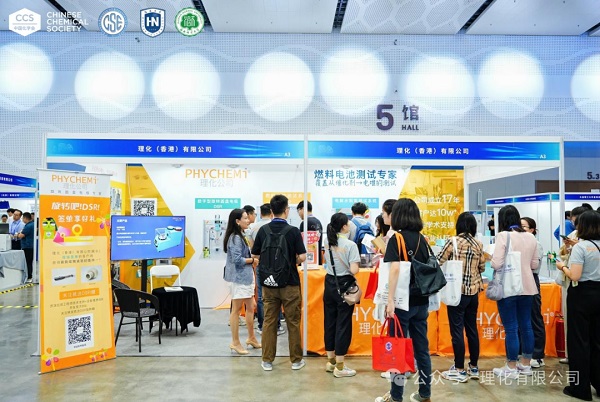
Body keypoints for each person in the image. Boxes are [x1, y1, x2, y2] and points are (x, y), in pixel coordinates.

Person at [375, 198, 432, 402]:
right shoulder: (422, 239)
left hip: (401, 303)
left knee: (396, 350)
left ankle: (396, 396)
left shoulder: (396, 238)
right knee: (422, 350)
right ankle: (425, 393)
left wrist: (389, 300)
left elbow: (395, 269)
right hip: (421, 301)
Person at [251, 194, 307, 371]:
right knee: (293, 322)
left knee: (269, 321)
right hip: (290, 283)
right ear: (286, 210)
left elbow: (255, 255)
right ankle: (296, 361)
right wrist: (291, 261)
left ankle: (267, 360)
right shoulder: (293, 231)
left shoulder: (263, 230)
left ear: (271, 211)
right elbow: (303, 256)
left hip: (268, 284)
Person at [490, 205, 540, 379]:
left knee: (511, 328)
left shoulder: (503, 236)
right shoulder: (530, 237)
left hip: (509, 287)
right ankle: (525, 364)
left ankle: (511, 367)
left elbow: (496, 264)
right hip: (528, 286)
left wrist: (490, 258)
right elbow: (534, 265)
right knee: (526, 326)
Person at [556, 210, 600, 401]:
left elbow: (575, 275)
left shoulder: (581, 247)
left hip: (581, 295)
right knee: (597, 341)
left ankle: (580, 388)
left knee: (578, 342)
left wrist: (562, 267)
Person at [438, 212, 486, 383]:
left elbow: (438, 261)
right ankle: (474, 366)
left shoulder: (453, 242)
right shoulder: (478, 243)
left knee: (457, 330)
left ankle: (459, 369)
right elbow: (482, 267)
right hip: (473, 292)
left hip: (456, 292)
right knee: (472, 329)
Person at [323, 212, 360, 378]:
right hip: (345, 285)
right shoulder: (351, 245)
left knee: (329, 322)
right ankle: (340, 366)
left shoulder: (327, 241)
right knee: (343, 324)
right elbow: (354, 270)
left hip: (329, 283)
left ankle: (331, 361)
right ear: (344, 226)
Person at [223, 208, 260, 355]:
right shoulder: (235, 238)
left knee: (251, 307)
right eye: (245, 218)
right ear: (237, 221)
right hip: (239, 279)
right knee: (236, 310)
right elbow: (237, 260)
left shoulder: (241, 235)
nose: (248, 220)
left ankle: (251, 338)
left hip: (246, 277)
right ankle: (235, 342)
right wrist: (252, 260)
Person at [247, 204, 284, 336]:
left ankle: (262, 325)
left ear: (260, 213)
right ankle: (277, 325)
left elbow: (253, 250)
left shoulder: (253, 228)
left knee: (262, 296)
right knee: (277, 294)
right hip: (277, 265)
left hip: (261, 264)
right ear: (271, 212)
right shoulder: (277, 226)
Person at [520, 217, 545, 368]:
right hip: (519, 280)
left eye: (524, 226)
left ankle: (538, 355)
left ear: (532, 230)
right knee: (521, 319)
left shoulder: (537, 244)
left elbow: (533, 266)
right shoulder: (519, 242)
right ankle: (523, 353)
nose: (521, 229)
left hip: (531, 278)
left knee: (534, 317)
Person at [297, 200, 323, 265]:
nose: (298, 214)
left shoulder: (305, 223)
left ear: (303, 209)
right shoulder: (318, 222)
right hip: (317, 260)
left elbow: (301, 244)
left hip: (307, 262)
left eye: (298, 210)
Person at [16, 212, 34, 283]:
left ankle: (29, 276)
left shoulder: (28, 226)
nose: (22, 220)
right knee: (29, 262)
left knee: (27, 262)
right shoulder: (32, 224)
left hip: (27, 246)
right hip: (30, 245)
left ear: (25, 218)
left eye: (23, 218)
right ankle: (29, 276)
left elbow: (21, 235)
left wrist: (18, 234)